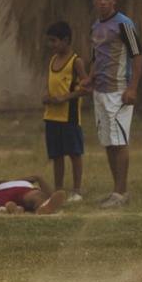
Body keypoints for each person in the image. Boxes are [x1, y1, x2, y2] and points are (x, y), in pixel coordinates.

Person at [86, 0, 142, 209]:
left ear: (114, 0)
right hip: (99, 93)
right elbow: (95, 58)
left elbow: (138, 55)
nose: (102, 2)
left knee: (120, 142)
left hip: (119, 92)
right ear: (93, 0)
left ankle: (121, 194)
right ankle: (116, 191)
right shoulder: (94, 27)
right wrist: (89, 79)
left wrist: (133, 88)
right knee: (109, 143)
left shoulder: (124, 24)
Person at [42, 21, 90, 203]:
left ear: (66, 40)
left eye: (54, 41)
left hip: (68, 116)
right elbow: (49, 83)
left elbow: (87, 88)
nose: (51, 45)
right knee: (56, 154)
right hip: (51, 116)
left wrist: (66, 97)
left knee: (74, 153)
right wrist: (46, 94)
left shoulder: (76, 61)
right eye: (49, 41)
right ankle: (59, 189)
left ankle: (76, 190)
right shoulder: (53, 61)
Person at [0, 175, 66, 215]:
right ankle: (5, 210)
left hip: (25, 191)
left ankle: (42, 208)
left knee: (36, 196)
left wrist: (39, 178)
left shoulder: (26, 184)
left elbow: (50, 195)